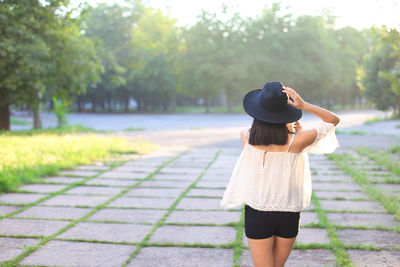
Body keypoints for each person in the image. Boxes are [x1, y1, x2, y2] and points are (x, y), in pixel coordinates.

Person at [220, 81, 340, 267]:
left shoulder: (246, 135)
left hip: (258, 211)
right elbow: (333, 120)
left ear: (257, 112)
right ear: (286, 111)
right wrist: (304, 105)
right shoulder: (299, 140)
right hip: (289, 212)